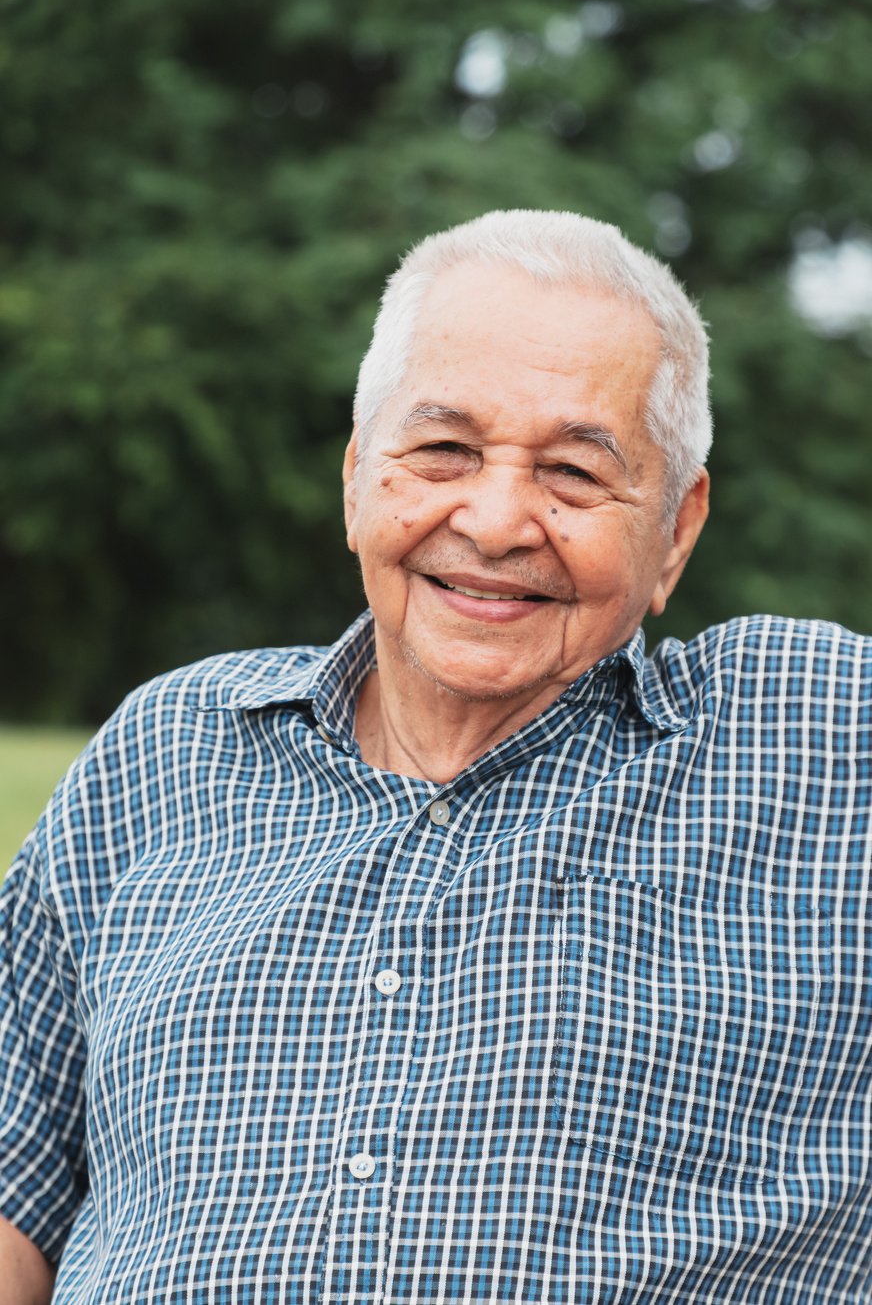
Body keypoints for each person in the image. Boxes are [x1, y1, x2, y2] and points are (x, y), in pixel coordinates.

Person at [0, 209, 869, 1304]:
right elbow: (15, 1190)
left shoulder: (821, 739)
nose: (498, 519)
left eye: (571, 471)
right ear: (361, 474)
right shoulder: (169, 749)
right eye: (443, 450)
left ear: (676, 531)